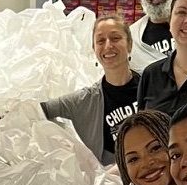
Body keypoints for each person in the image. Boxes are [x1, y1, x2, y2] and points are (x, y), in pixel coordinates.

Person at [41, 14, 141, 165]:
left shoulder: (152, 85)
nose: (108, 46)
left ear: (129, 44)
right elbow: (40, 109)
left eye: (115, 38)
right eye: (100, 40)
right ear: (94, 49)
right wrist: (2, 113)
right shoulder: (85, 100)